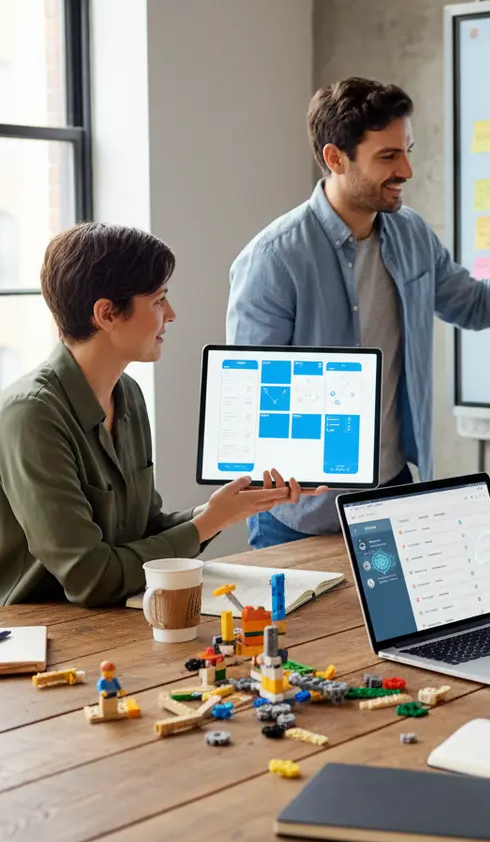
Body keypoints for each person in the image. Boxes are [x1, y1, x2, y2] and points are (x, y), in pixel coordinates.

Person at [227, 76, 490, 548]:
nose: (408, 170)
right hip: (301, 514)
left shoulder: (410, 234)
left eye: (408, 150)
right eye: (388, 156)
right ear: (336, 158)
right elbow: (251, 402)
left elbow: (479, 305)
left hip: (395, 491)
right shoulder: (274, 258)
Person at [0, 223, 321, 607]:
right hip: (46, 636)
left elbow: (145, 531)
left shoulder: (128, 395)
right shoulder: (32, 415)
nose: (171, 313)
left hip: (116, 620)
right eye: (158, 299)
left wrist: (228, 507)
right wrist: (208, 522)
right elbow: (91, 577)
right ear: (106, 314)